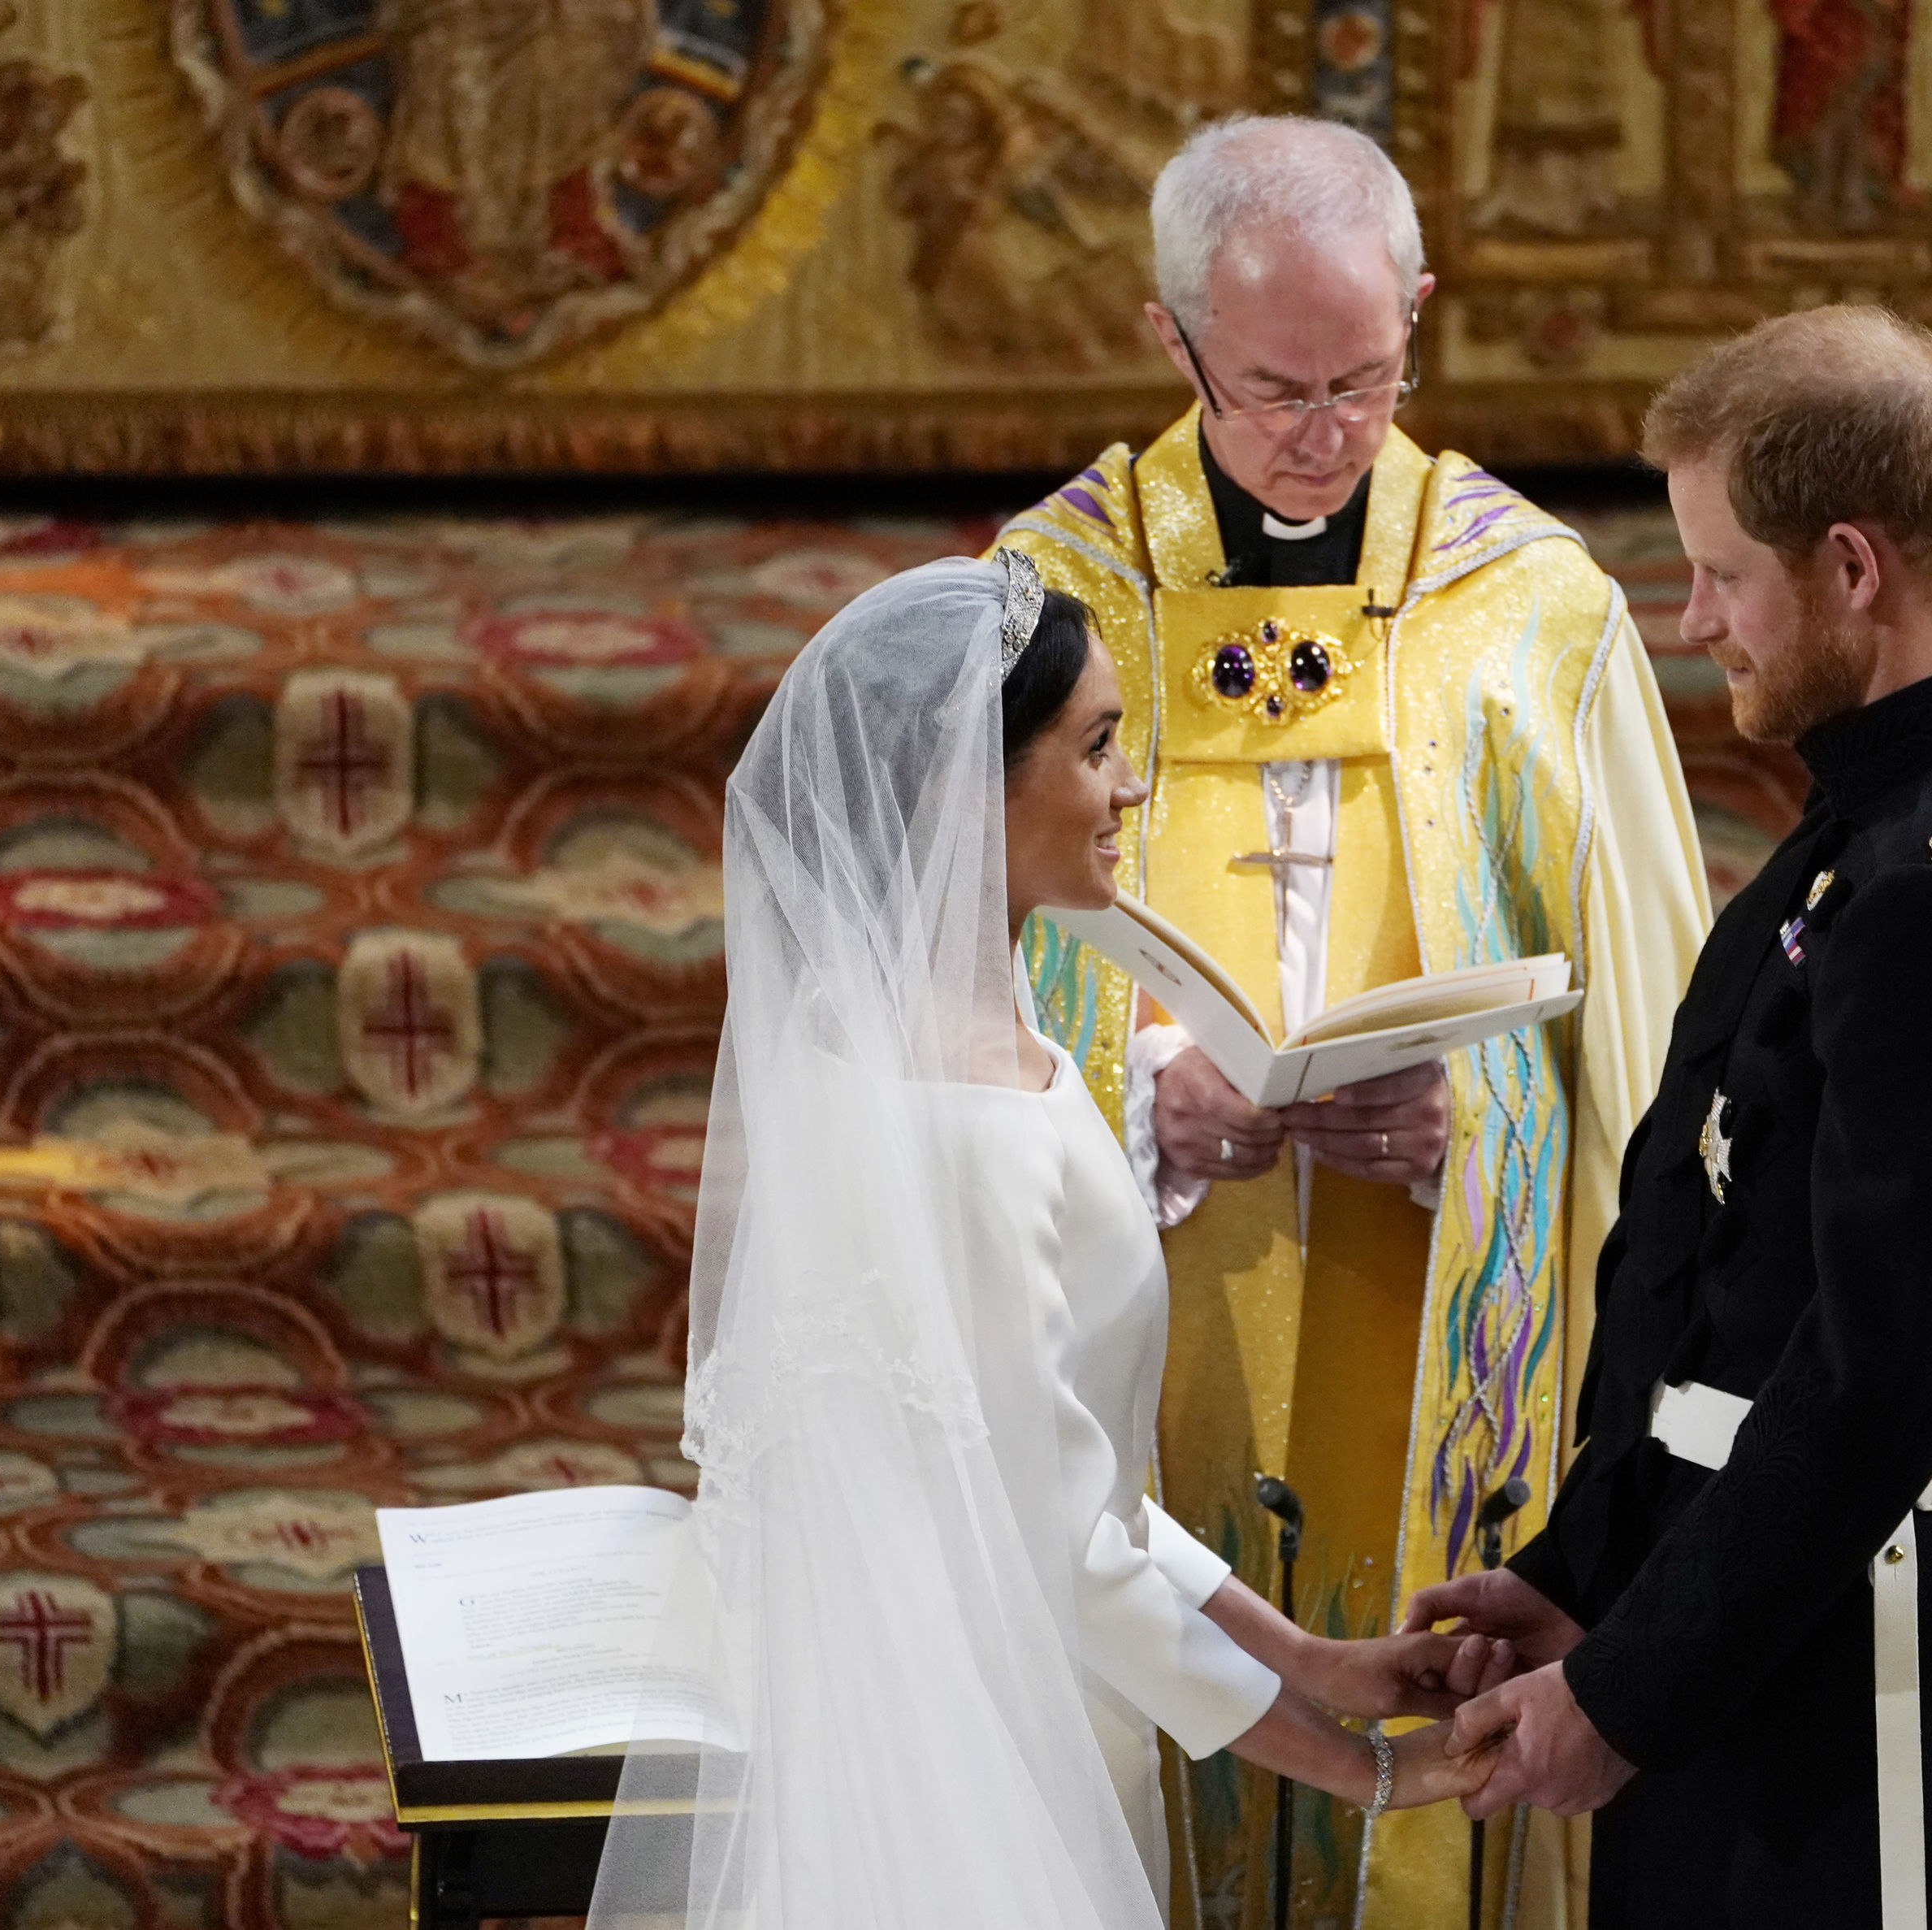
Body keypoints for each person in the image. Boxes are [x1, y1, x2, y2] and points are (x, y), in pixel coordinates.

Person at [997, 115, 1710, 1920]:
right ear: (1170, 346)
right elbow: (933, 983)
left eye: (1366, 377)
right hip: (1167, 1302)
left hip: (1444, 1307)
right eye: (1273, 390)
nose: (1326, 432)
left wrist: (1489, 1131)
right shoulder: (1052, 597)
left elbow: (1659, 1038)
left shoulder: (1530, 610)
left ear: (1420, 312)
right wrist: (1129, 1105)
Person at [583, 556, 1492, 1930]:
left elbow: (1071, 1478)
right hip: (979, 1754)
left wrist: (1314, 1656)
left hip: (996, 1694)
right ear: (971, 792)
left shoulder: (942, 1030)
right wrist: (1363, 1772)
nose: (1134, 789)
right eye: (1098, 748)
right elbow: (1066, 1559)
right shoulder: (961, 1117)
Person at [1407, 306, 1932, 1929]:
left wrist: (1626, 1695)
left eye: (1723, 574)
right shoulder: (1874, 827)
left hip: (1867, 1668)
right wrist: (1580, 1572)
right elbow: (1723, 1285)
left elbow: (1873, 1387)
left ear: (1852, 569)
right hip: (1766, 1616)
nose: (1696, 620)